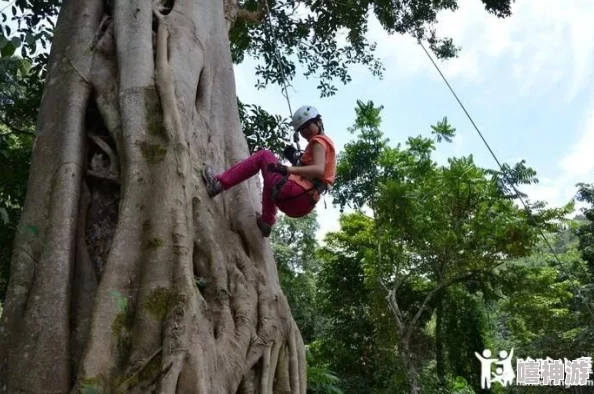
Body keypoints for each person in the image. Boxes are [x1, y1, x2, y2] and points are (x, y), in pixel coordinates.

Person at [202, 105, 336, 237]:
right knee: (272, 177)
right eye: (301, 129)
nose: (305, 131)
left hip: (293, 193)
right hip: (302, 204)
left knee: (264, 156)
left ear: (319, 122)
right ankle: (266, 222)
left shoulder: (318, 141)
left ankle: (218, 184)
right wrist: (295, 160)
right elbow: (317, 176)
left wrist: (287, 168)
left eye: (307, 125)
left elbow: (318, 170)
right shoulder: (328, 147)